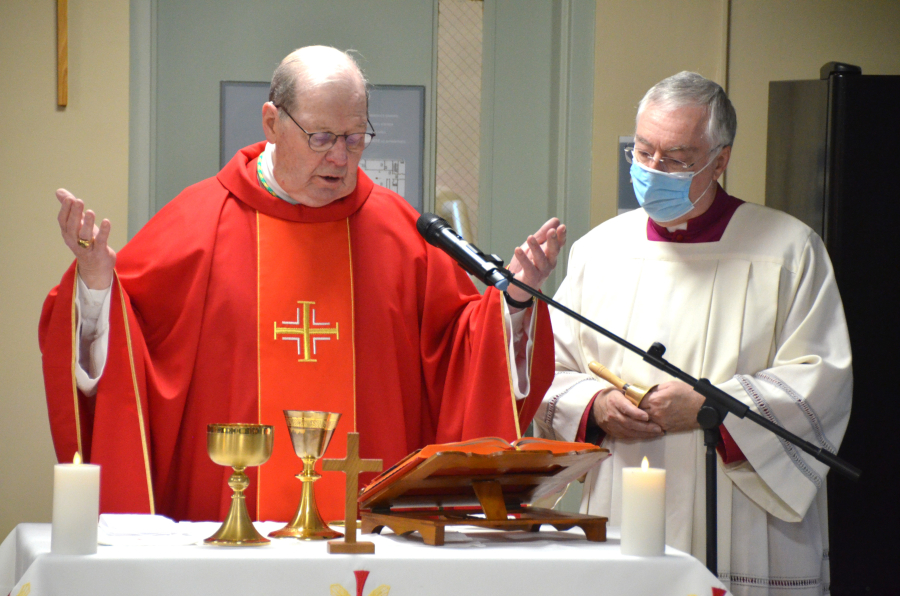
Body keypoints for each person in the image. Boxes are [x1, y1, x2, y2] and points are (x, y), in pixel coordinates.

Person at [40, 46, 565, 524]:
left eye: (355, 137)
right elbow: (127, 357)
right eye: (321, 138)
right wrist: (95, 285)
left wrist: (513, 300)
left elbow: (461, 354)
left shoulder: (400, 232)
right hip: (227, 532)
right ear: (272, 122)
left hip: (370, 534)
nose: (340, 156)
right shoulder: (197, 223)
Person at [534, 72, 851, 595]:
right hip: (623, 505)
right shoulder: (599, 252)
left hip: (745, 521)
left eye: (678, 159)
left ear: (719, 159)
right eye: (643, 151)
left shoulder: (789, 251)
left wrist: (716, 408)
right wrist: (596, 406)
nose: (654, 170)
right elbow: (552, 371)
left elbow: (820, 385)